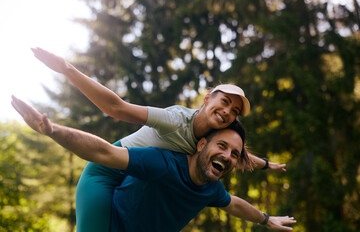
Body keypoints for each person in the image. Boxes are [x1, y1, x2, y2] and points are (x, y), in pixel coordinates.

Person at [30, 47, 287, 231]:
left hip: (135, 174)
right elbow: (116, 108)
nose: (229, 112)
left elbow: (233, 153)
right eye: (225, 103)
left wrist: (265, 164)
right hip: (107, 167)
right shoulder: (174, 120)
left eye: (235, 112)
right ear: (208, 98)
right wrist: (67, 69)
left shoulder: (215, 137)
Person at [11, 97, 296, 231]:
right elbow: (104, 150)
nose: (228, 156)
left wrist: (266, 219)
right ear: (201, 145)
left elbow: (233, 203)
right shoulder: (165, 157)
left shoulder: (211, 187)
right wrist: (53, 130)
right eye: (222, 146)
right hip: (105, 180)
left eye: (235, 154)